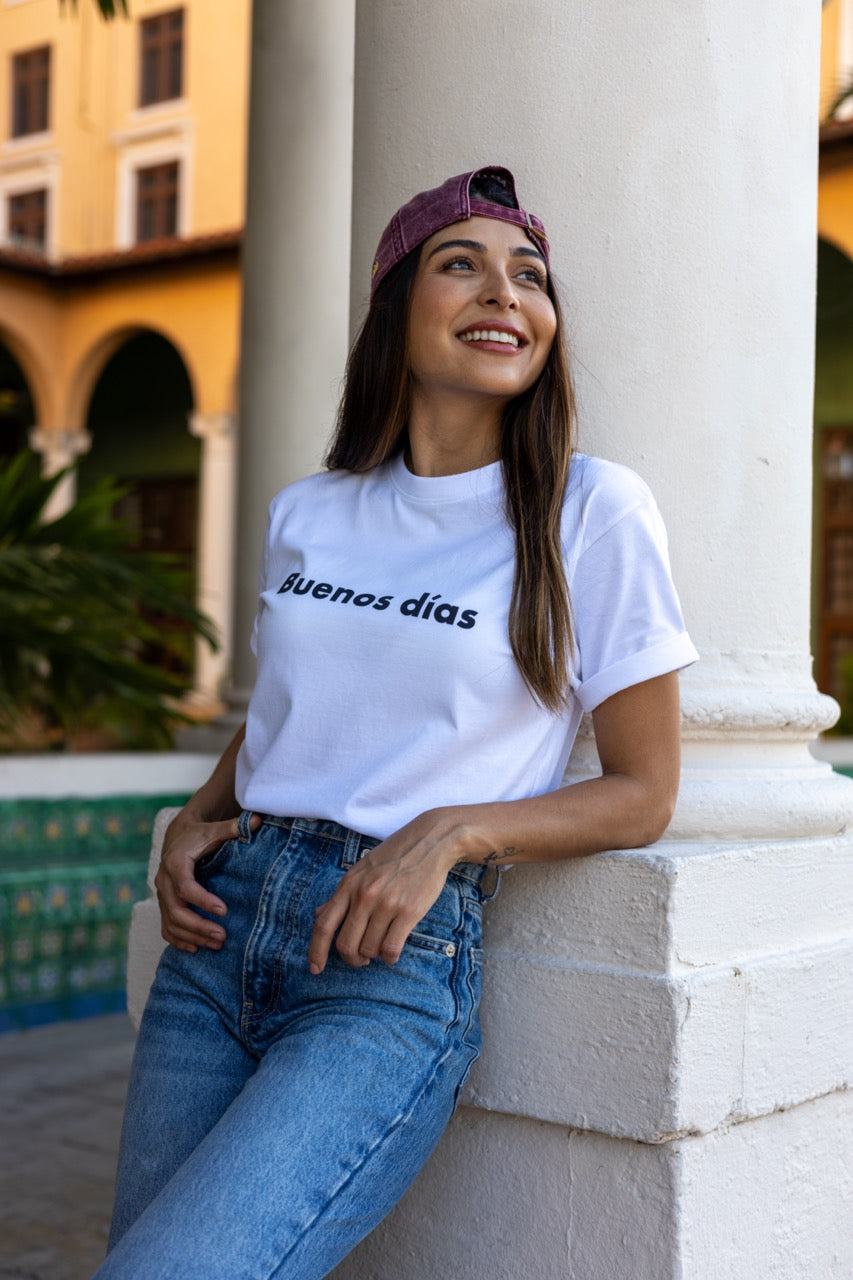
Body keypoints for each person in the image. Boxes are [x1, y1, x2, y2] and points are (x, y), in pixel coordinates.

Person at [96, 165, 698, 1279]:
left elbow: (642, 790)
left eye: (529, 276)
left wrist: (455, 831)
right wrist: (198, 813)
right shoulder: (311, 509)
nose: (503, 294)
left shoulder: (591, 509)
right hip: (214, 941)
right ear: (394, 307)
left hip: (385, 965)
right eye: (459, 264)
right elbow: (294, 705)